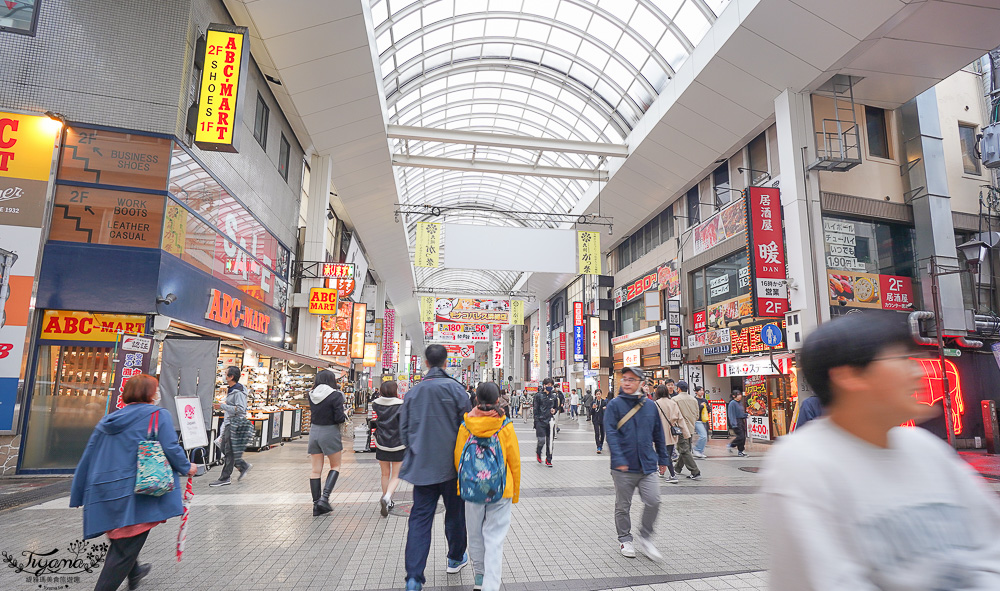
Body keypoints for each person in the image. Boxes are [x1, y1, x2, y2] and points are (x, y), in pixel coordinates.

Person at [762, 312, 1000, 590]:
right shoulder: (803, 464)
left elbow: (990, 546)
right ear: (849, 376)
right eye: (901, 360)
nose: (918, 372)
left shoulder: (925, 449)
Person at [71, 374, 196, 591]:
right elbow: (170, 448)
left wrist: (80, 491)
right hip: (138, 490)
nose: (158, 394)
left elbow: (88, 455)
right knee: (123, 549)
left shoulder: (108, 420)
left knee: (123, 539)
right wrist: (187, 467)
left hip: (105, 489)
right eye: (155, 390)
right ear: (149, 394)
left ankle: (135, 572)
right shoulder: (158, 415)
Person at [400, 345, 473, 591]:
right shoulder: (457, 390)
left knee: (420, 518)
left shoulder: (413, 393)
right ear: (445, 362)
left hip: (423, 468)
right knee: (455, 514)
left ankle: (413, 577)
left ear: (425, 362)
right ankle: (455, 557)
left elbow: (404, 432)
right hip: (453, 468)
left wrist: (417, 449)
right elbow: (468, 428)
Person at [455, 382, 521, 591]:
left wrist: (465, 484)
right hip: (501, 490)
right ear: (497, 401)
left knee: (475, 535)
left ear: (475, 400)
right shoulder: (505, 426)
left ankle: (479, 579)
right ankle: (491, 586)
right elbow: (514, 461)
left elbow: (459, 459)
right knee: (494, 538)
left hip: (472, 490)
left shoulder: (466, 425)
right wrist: (515, 492)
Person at [605, 366, 670, 561]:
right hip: (623, 467)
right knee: (623, 506)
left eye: (631, 379)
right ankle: (625, 538)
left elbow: (658, 433)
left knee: (654, 500)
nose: (626, 382)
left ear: (641, 383)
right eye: (624, 378)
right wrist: (619, 459)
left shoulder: (650, 406)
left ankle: (646, 536)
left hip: (647, 464)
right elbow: (611, 435)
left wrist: (663, 459)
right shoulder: (614, 405)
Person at [309, 370, 348, 515]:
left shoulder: (311, 394)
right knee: (336, 465)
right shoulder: (336, 395)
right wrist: (344, 416)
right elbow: (338, 418)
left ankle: (316, 505)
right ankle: (324, 498)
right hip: (330, 432)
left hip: (314, 432)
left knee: (315, 469)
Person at [210, 366, 252, 487]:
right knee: (225, 447)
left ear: (231, 377)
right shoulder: (233, 389)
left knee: (227, 449)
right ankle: (242, 466)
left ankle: (225, 477)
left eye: (225, 373)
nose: (224, 375)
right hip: (230, 422)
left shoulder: (237, 392)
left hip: (235, 423)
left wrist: (222, 406)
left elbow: (240, 409)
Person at [372, 380, 404, 517]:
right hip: (398, 444)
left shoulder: (375, 404)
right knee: (396, 475)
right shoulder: (401, 405)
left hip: (381, 443)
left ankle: (387, 499)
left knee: (385, 474)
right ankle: (387, 498)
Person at [653, 384, 685, 484]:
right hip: (671, 433)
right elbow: (680, 418)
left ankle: (672, 475)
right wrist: (686, 432)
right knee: (668, 454)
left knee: (665, 455)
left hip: (660, 433)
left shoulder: (656, 404)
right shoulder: (673, 403)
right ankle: (663, 471)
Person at [670, 381, 702, 480]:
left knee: (683, 450)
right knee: (685, 449)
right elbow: (697, 415)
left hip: (680, 428)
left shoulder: (675, 399)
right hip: (691, 427)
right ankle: (677, 468)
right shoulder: (694, 399)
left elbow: (673, 415)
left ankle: (695, 471)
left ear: (678, 389)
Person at [533, 378, 558, 466]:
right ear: (544, 385)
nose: (549, 386)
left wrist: (554, 410)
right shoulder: (538, 396)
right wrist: (536, 422)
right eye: (548, 385)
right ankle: (538, 451)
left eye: (551, 385)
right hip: (540, 420)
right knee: (541, 440)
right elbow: (535, 409)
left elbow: (556, 407)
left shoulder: (554, 396)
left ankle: (549, 459)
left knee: (550, 441)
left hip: (550, 421)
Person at [727, 390, 748, 457]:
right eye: (738, 394)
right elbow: (731, 414)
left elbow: (741, 413)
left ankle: (741, 451)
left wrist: (746, 415)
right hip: (736, 422)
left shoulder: (740, 403)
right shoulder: (732, 403)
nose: (740, 396)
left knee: (743, 437)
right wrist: (733, 424)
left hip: (741, 421)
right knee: (740, 436)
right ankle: (731, 445)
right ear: (734, 396)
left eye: (740, 394)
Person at [693, 386, 710, 459]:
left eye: (702, 390)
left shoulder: (704, 400)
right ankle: (696, 449)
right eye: (700, 390)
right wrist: (701, 406)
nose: (702, 392)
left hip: (704, 420)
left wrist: (706, 407)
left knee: (705, 437)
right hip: (697, 420)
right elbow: (695, 410)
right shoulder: (694, 400)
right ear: (696, 392)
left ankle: (700, 451)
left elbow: (709, 409)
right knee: (703, 436)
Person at [591, 389, 607, 454]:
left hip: (602, 419)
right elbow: (591, 412)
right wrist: (593, 408)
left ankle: (601, 444)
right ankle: (598, 446)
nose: (598, 395)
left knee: (602, 433)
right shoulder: (593, 402)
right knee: (597, 433)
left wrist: (605, 408)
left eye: (599, 394)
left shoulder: (603, 402)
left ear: (601, 394)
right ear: (595, 395)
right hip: (595, 420)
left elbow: (607, 410)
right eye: (597, 394)